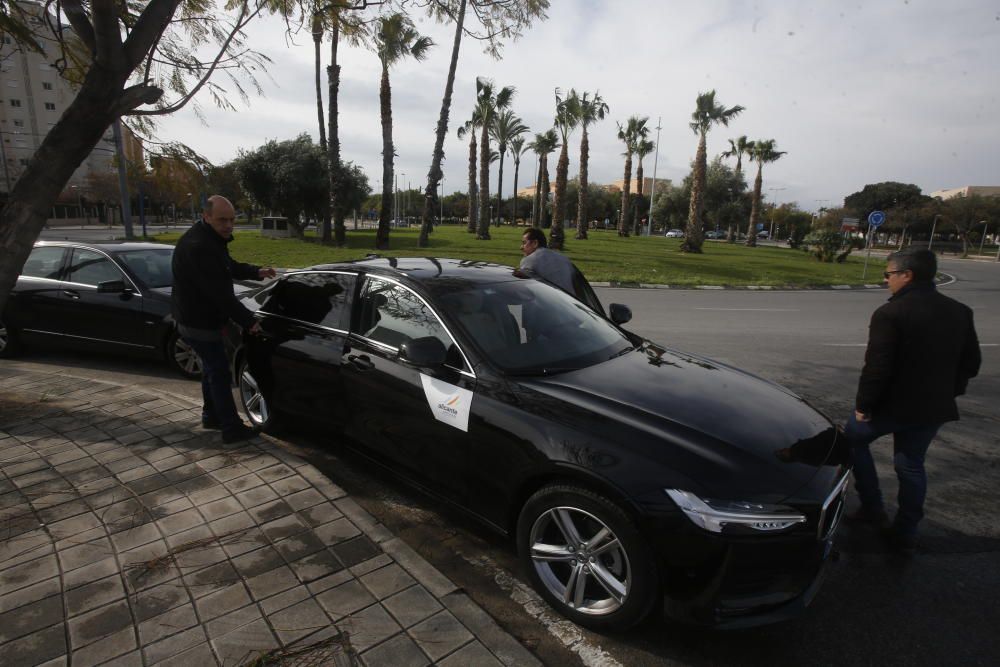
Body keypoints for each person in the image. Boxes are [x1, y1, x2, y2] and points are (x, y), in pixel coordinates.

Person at [845, 247, 980, 551]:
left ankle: (872, 507)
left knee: (852, 438)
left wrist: (863, 407)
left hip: (890, 407)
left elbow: (877, 368)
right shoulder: (959, 310)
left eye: (889, 274)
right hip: (933, 408)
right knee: (910, 465)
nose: (886, 280)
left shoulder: (890, 313)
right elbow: (971, 363)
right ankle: (905, 530)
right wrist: (947, 391)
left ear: (907, 275)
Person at [172, 195, 276, 443]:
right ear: (206, 216)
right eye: (222, 220)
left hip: (191, 317)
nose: (229, 225)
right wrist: (250, 321)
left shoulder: (209, 238)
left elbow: (226, 265)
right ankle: (231, 428)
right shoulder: (200, 247)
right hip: (198, 321)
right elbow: (221, 296)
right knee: (219, 371)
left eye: (232, 219)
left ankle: (212, 416)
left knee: (211, 369)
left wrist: (255, 271)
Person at [519, 227, 576, 294]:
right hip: (570, 302)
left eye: (524, 243)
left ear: (535, 243)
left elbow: (523, 288)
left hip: (549, 301)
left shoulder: (529, 260)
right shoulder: (563, 258)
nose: (521, 247)